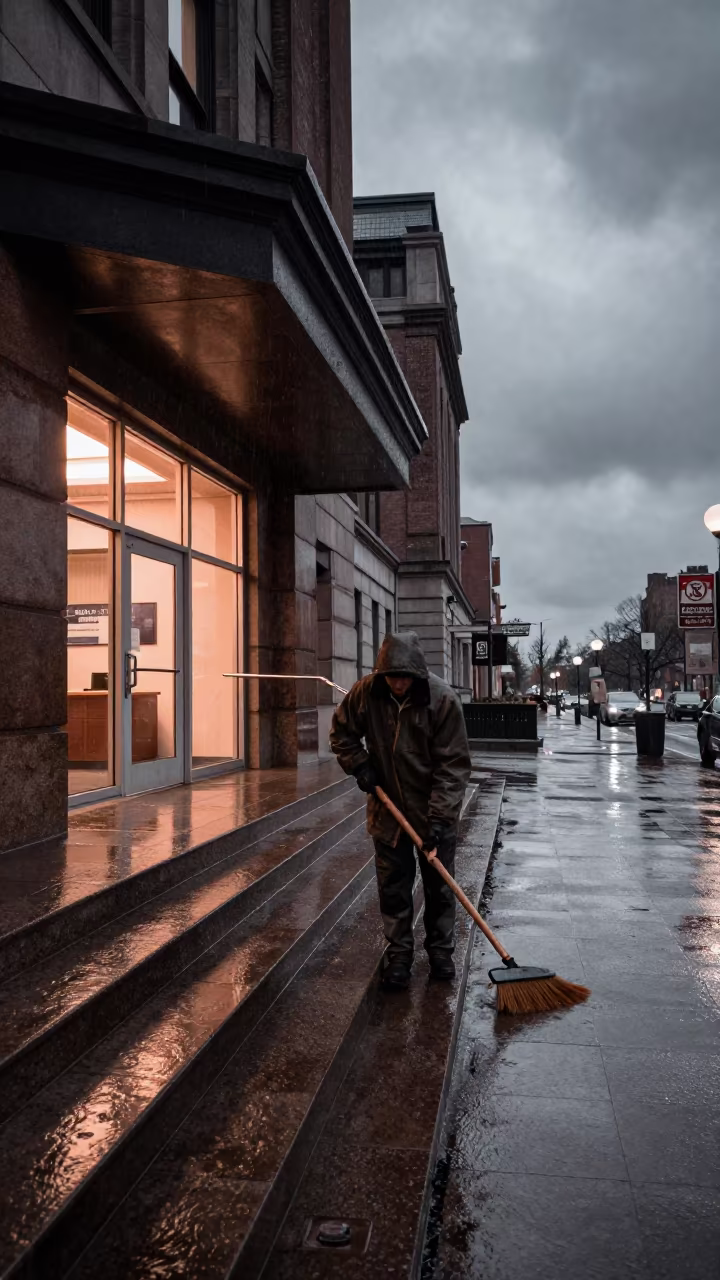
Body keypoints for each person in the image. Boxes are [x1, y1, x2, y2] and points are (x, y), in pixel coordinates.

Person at [330, 631, 471, 989]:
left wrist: (439, 821)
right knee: (394, 887)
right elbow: (342, 733)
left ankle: (440, 951)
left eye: (405, 678)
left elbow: (453, 766)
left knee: (439, 887)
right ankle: (399, 955)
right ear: (382, 673)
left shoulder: (441, 700)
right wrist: (360, 765)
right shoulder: (366, 693)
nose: (398, 684)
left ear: (418, 675)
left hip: (432, 812)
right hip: (388, 812)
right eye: (392, 677)